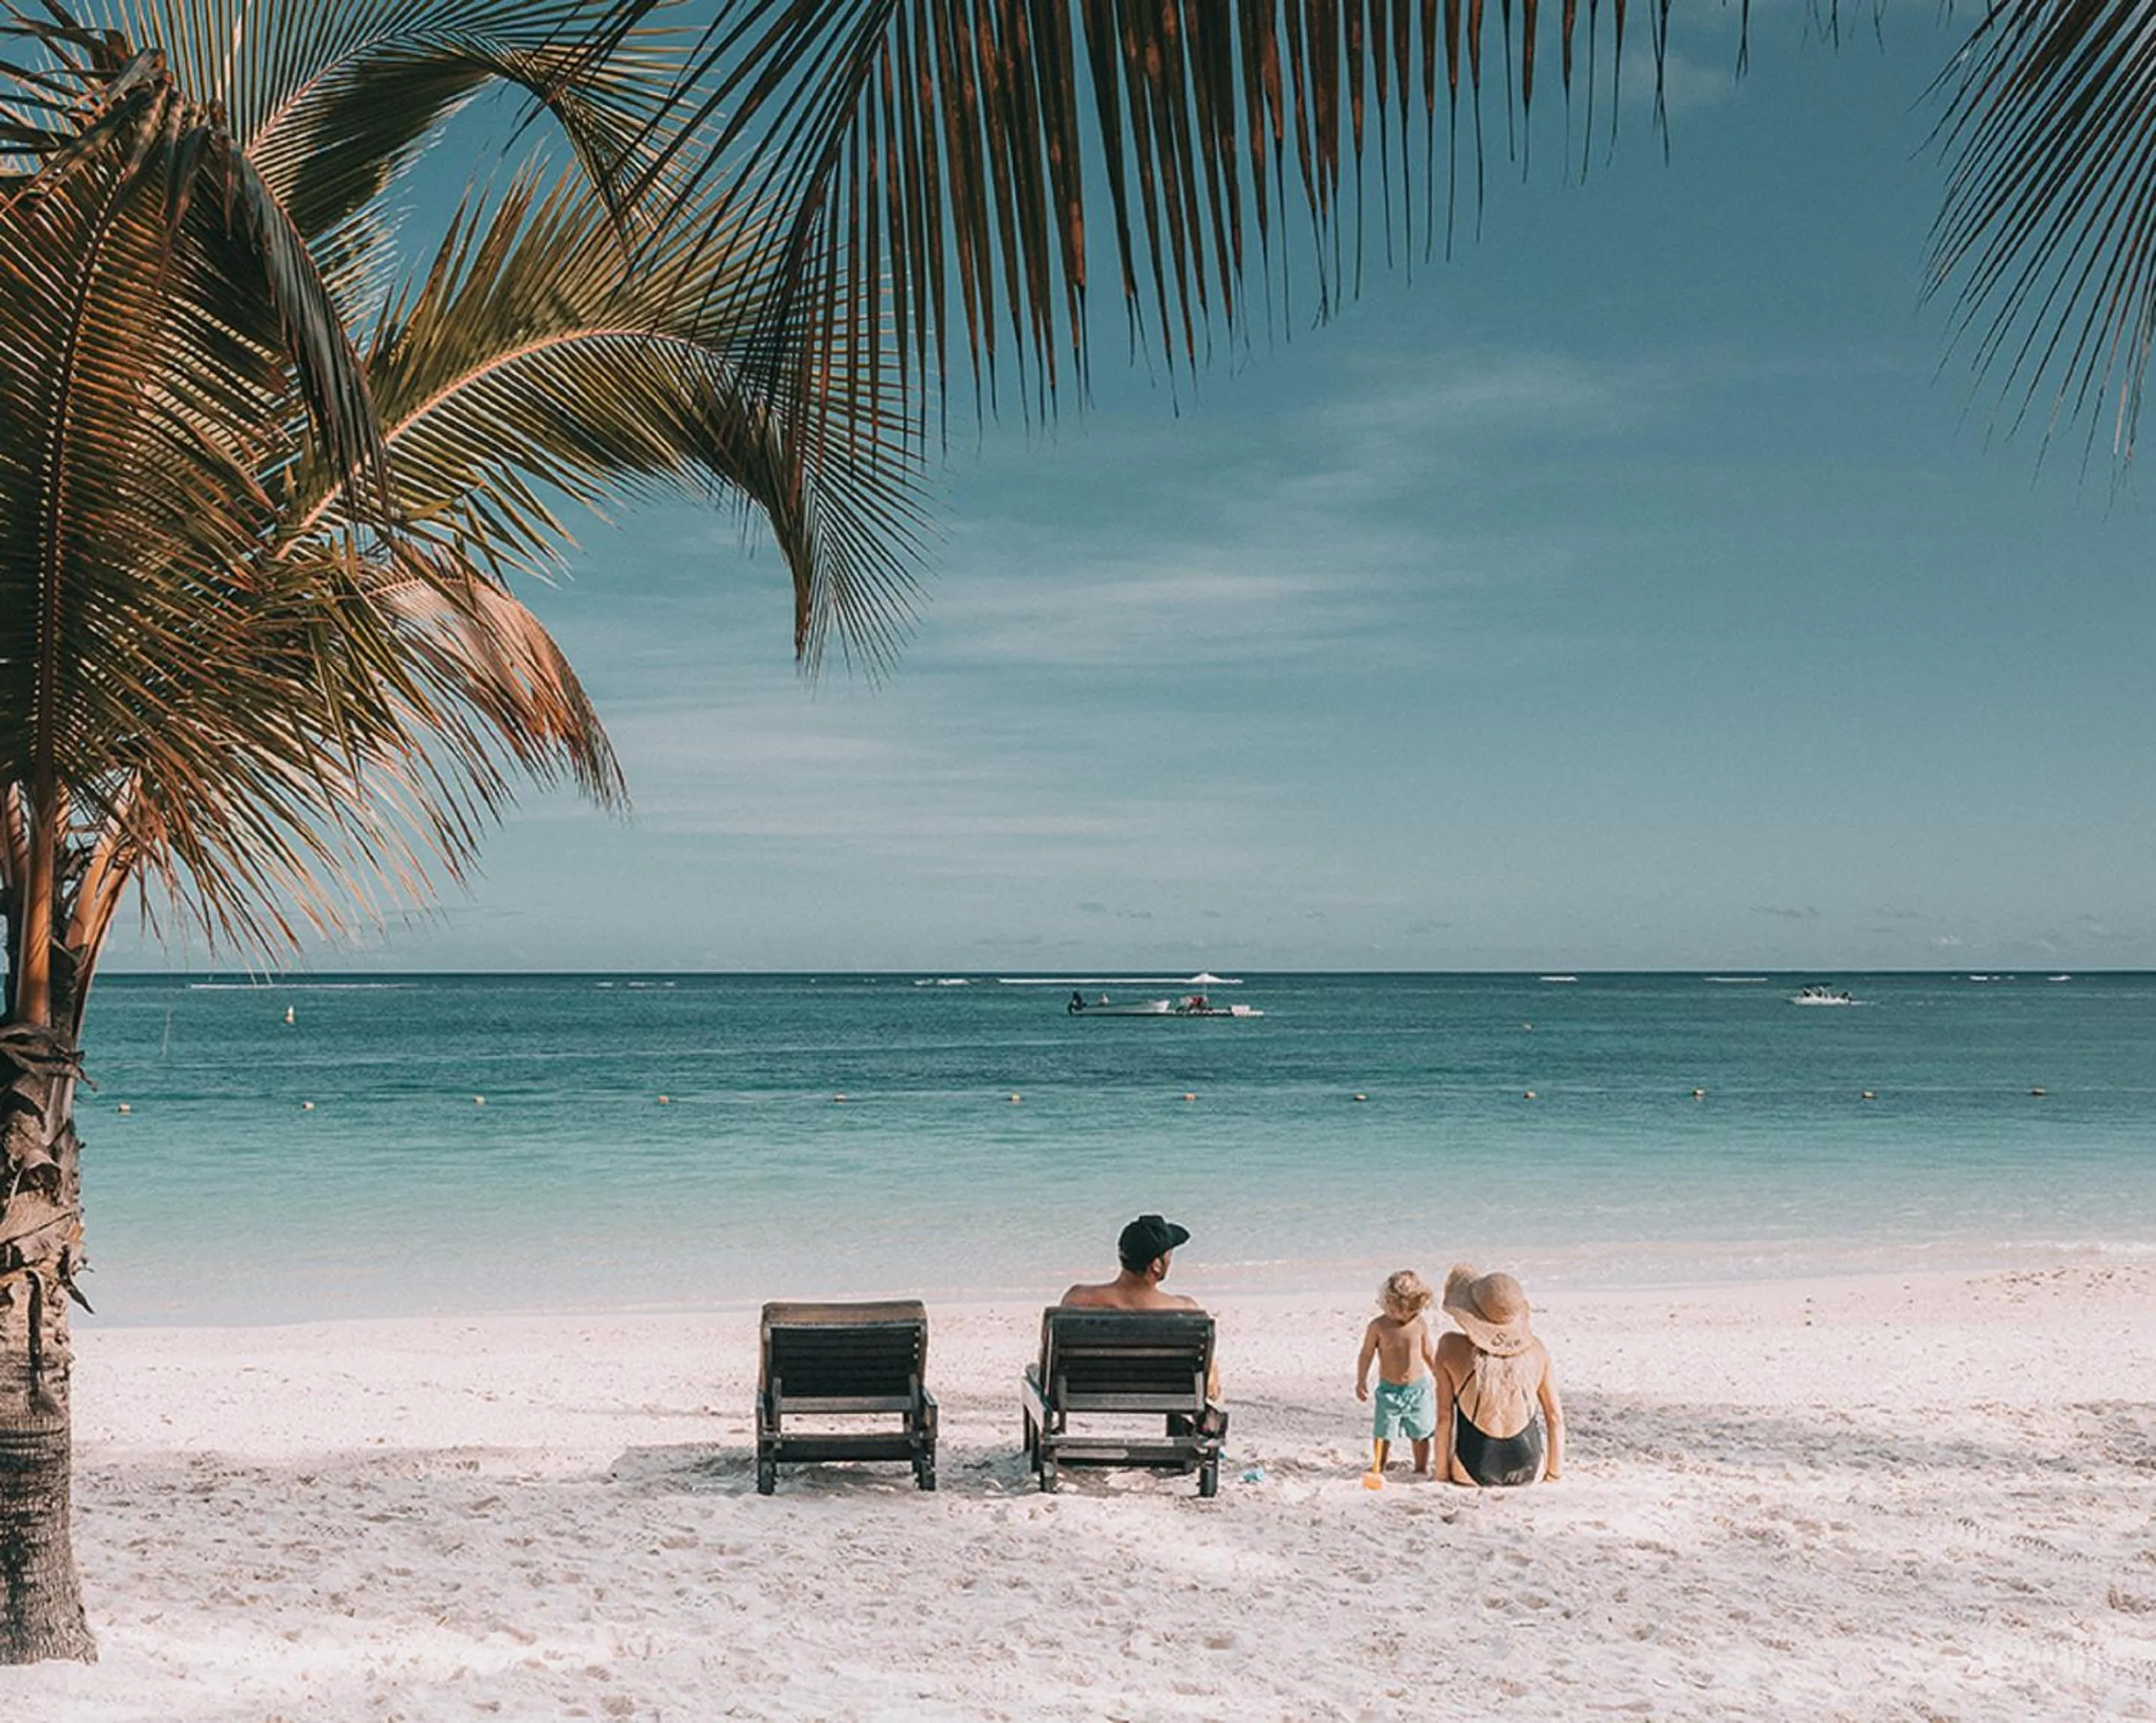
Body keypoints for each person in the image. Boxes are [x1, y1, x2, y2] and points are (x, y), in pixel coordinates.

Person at [1434, 1265, 1565, 1487]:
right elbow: (1555, 1418)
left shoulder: (1450, 1346)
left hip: (1472, 1466)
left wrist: (1441, 1475)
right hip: (1530, 1465)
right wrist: (1554, 1474)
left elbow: (1444, 1418)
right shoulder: (1537, 1350)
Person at [1354, 1269, 1439, 1477]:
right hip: (1389, 1390)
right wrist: (1361, 1380)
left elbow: (1428, 1352)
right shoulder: (1378, 1326)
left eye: (1410, 1310)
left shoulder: (1418, 1324)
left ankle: (1421, 1467)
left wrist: (1440, 1375)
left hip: (1418, 1389)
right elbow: (1366, 1354)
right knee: (1383, 1431)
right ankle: (1379, 1465)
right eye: (1393, 1309)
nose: (1401, 1315)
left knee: (1421, 1432)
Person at [1059, 1214, 1201, 1310]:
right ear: (1156, 1265)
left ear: (1121, 1254)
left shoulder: (1077, 1299)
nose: (1170, 1260)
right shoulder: (1186, 1309)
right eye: (1169, 1254)